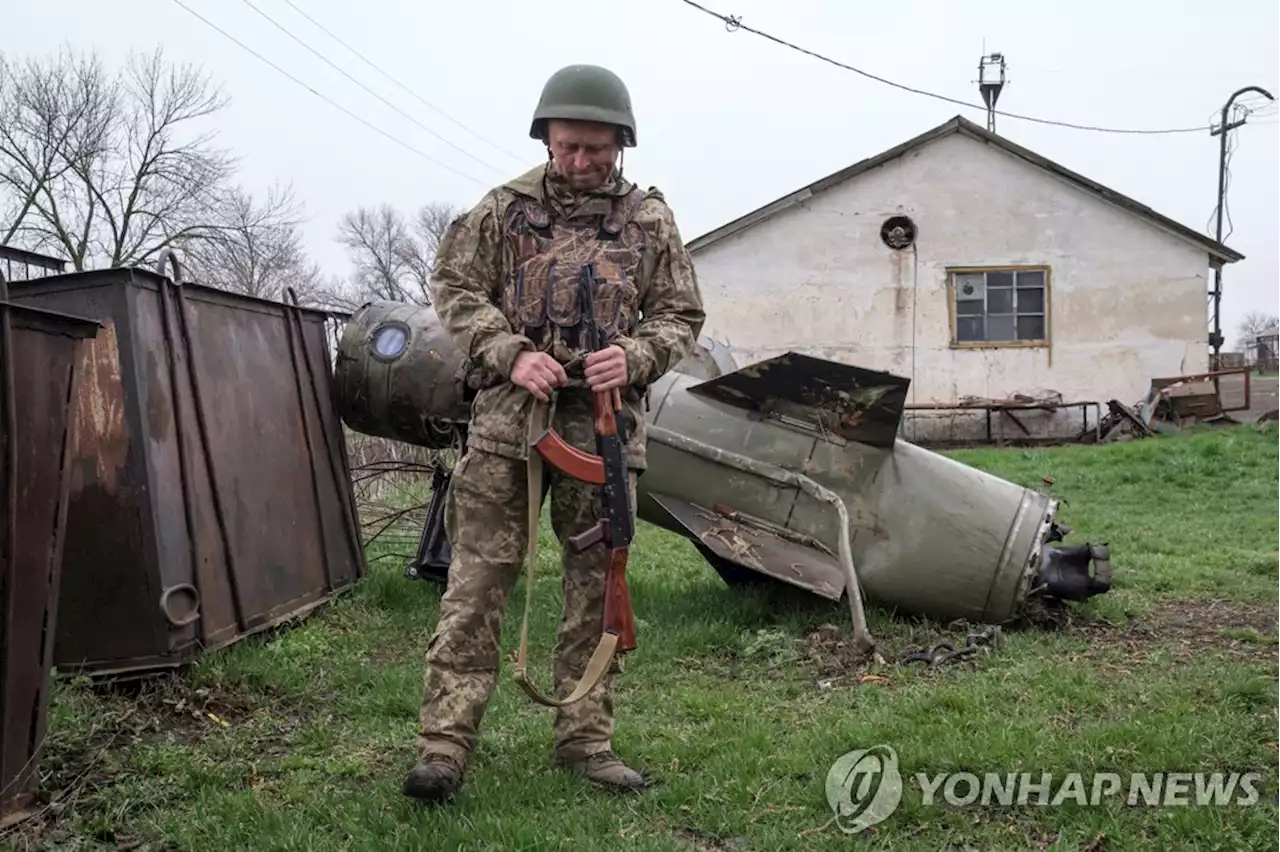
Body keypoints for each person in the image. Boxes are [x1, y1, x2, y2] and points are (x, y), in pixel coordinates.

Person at [403, 63, 706, 804]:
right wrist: (511, 352)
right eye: (568, 147)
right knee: (476, 585)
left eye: (596, 151)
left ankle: (584, 741)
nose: (580, 163)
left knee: (595, 591)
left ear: (621, 146)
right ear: (546, 139)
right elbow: (454, 287)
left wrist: (634, 354)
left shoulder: (650, 222)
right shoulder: (501, 211)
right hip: (511, 423)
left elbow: (681, 315)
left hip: (603, 430)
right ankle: (444, 747)